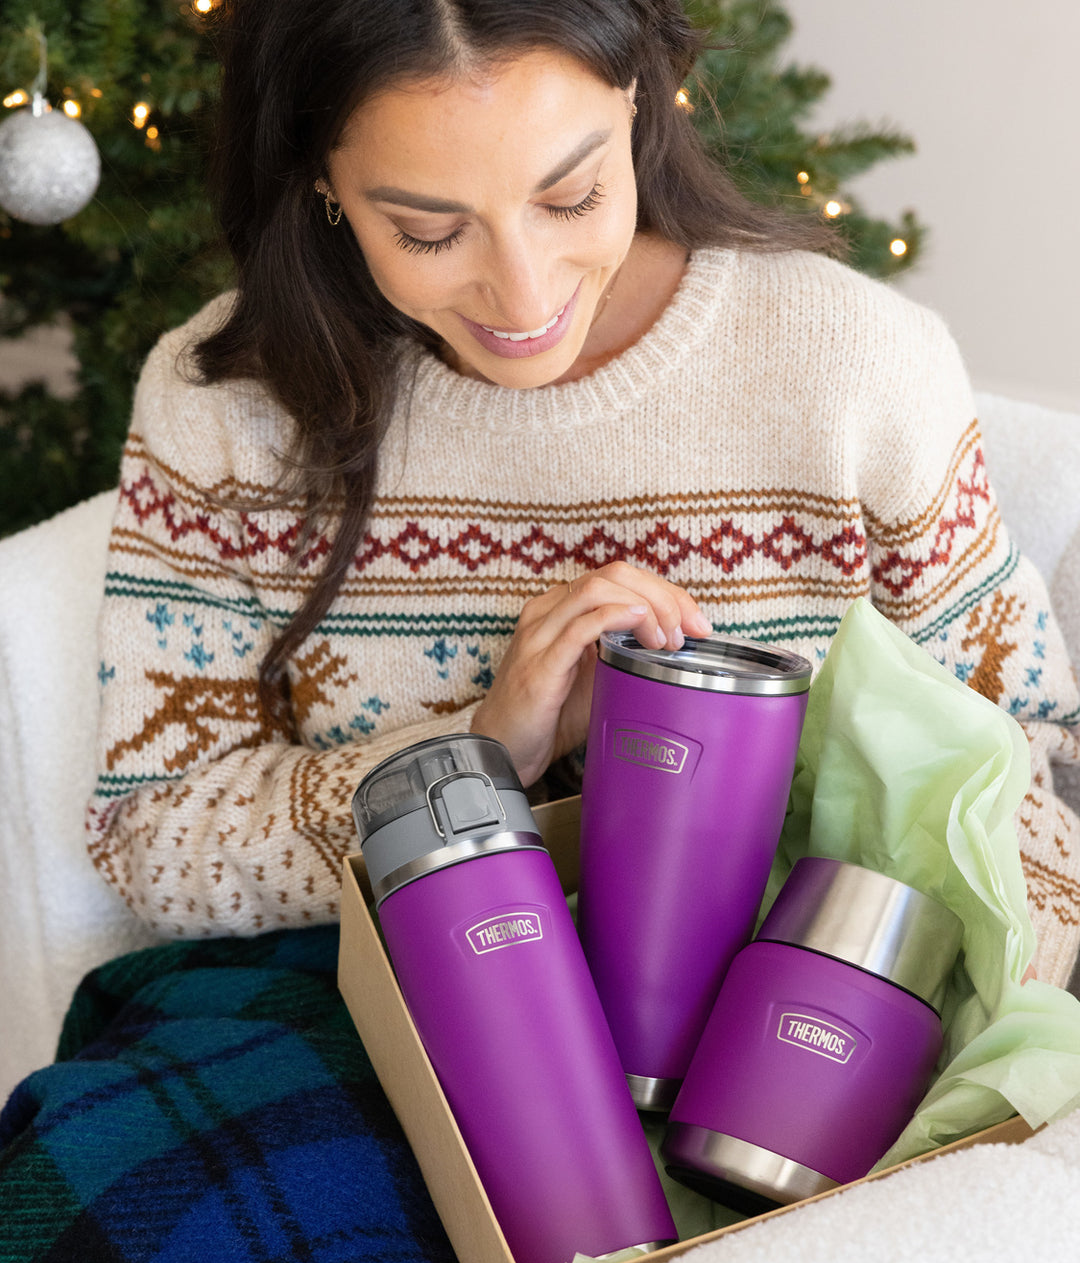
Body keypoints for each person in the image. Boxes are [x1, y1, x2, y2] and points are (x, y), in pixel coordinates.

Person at [84, 0, 1080, 989]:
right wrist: (477, 757)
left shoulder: (856, 366)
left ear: (639, 98)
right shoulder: (226, 407)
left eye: (571, 196)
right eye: (430, 230)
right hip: (374, 1017)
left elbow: (1032, 763)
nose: (524, 297)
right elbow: (153, 837)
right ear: (321, 181)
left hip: (799, 1023)